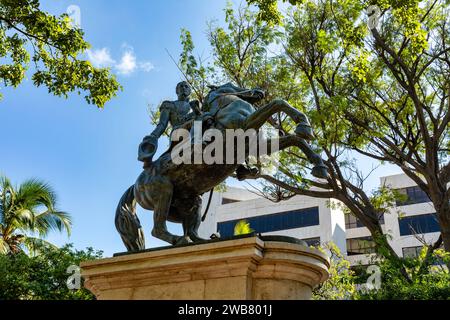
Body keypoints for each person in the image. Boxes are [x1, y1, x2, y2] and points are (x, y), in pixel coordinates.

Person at [138, 81, 201, 168]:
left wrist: (197, 110)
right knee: (199, 120)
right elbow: (162, 125)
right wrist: (153, 136)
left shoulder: (193, 105)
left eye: (186, 87)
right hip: (178, 131)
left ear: (190, 91)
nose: (184, 88)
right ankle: (195, 146)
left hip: (194, 129)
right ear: (177, 91)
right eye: (181, 86)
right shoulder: (169, 105)